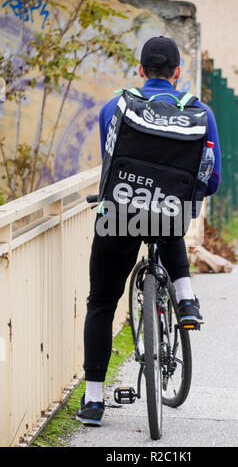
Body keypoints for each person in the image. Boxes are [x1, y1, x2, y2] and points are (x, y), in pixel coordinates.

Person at [77, 36, 221, 426]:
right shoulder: (201, 113)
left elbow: (108, 162)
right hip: (169, 217)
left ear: (140, 71)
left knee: (102, 304)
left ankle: (93, 401)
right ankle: (186, 297)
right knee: (167, 211)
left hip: (118, 215)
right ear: (178, 73)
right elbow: (212, 180)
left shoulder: (115, 107)